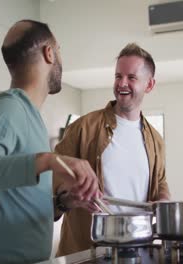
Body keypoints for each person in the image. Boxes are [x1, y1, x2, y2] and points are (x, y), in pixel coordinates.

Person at [0, 19, 99, 264]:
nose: (60, 57)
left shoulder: (31, 117)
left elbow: (16, 203)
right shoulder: (9, 108)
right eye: (59, 50)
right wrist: (48, 160)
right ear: (49, 53)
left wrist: (63, 203)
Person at [53, 43, 171, 256]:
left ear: (149, 85)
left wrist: (162, 199)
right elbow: (53, 176)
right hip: (86, 254)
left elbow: (160, 181)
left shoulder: (156, 140)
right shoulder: (83, 128)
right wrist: (73, 194)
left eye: (131, 77)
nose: (122, 83)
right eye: (118, 76)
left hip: (138, 251)